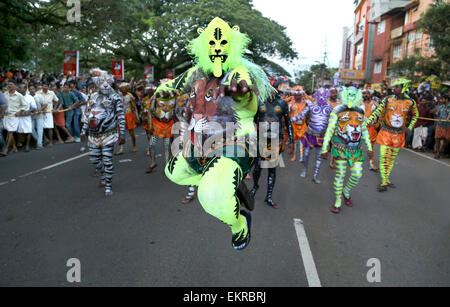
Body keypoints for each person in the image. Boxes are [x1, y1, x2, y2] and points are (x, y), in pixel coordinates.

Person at [157, 17, 274, 250]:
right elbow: (171, 86)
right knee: (173, 172)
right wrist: (164, 90)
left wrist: (241, 93)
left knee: (210, 198)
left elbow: (247, 95)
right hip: (199, 146)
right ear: (203, 45)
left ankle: (240, 225)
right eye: (212, 43)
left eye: (223, 44)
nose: (218, 48)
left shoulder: (238, 72)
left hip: (234, 145)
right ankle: (222, 183)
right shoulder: (196, 73)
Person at [321, 87, 373, 213]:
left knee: (357, 174)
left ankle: (346, 191)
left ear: (358, 96)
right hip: (340, 147)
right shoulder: (337, 110)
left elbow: (363, 129)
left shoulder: (361, 110)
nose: (351, 97)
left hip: (357, 149)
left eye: (353, 95)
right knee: (340, 174)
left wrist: (369, 146)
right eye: (349, 94)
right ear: (344, 95)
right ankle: (338, 201)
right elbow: (330, 129)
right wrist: (325, 147)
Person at [365, 79, 419, 192]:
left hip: (399, 135)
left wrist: (409, 127)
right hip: (386, 132)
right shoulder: (387, 99)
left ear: (404, 87)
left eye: (397, 87)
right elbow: (377, 112)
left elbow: (415, 115)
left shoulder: (411, 102)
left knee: (391, 158)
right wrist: (366, 123)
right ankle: (384, 181)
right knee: (383, 157)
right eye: (394, 87)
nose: (394, 89)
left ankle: (386, 178)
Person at [81, 69, 126, 196]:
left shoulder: (115, 97)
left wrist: (122, 133)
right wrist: (83, 130)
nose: (105, 84)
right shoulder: (93, 97)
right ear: (97, 84)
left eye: (107, 82)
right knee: (94, 159)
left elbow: (121, 116)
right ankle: (104, 174)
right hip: (93, 134)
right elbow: (88, 114)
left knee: (107, 160)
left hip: (109, 133)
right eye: (102, 82)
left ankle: (108, 185)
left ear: (111, 83)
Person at [250, 79, 294, 209]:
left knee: (271, 168)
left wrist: (292, 140)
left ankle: (268, 197)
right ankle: (255, 186)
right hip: (261, 138)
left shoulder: (282, 103)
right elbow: (252, 120)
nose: (271, 93)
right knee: (257, 166)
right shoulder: (259, 102)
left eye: (274, 91)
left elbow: (288, 123)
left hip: (276, 139)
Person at [290, 87, 334, 184]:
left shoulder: (330, 108)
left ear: (327, 96)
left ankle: (315, 175)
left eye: (324, 96)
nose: (321, 98)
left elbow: (335, 120)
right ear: (316, 96)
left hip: (322, 136)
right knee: (306, 154)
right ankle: (305, 169)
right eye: (320, 95)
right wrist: (289, 120)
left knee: (319, 156)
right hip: (310, 134)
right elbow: (301, 115)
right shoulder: (311, 106)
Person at [1, 81, 28, 156]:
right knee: (8, 131)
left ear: (15, 86)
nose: (9, 86)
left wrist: (20, 111)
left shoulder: (19, 95)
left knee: (10, 132)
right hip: (6, 115)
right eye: (8, 84)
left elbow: (25, 105)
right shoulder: (4, 94)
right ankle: (14, 147)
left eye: (11, 84)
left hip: (14, 116)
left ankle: (6, 149)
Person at [116, 83, 139, 155]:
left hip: (129, 115)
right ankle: (121, 149)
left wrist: (137, 117)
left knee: (131, 132)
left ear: (126, 89)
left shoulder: (130, 96)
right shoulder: (118, 96)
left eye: (123, 88)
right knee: (120, 132)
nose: (121, 90)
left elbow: (134, 107)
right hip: (121, 115)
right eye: (120, 89)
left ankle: (134, 145)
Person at [287, 86, 309, 162]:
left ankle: (302, 157)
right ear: (294, 95)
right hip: (293, 125)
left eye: (300, 95)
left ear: (302, 95)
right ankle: (294, 156)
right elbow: (288, 113)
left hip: (303, 126)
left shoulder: (306, 103)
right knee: (293, 142)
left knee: (302, 142)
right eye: (296, 95)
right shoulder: (291, 103)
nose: (298, 96)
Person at [361, 89, 380, 171]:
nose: (366, 95)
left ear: (371, 95)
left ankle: (371, 164)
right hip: (359, 128)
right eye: (364, 93)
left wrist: (377, 124)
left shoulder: (376, 104)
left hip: (371, 128)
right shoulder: (358, 103)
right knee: (356, 145)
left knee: (370, 147)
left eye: (368, 93)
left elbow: (381, 114)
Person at [17, 83, 37, 152]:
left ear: (25, 89)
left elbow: (34, 107)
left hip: (26, 117)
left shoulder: (30, 97)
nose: (19, 89)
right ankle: (20, 143)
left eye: (20, 88)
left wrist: (28, 111)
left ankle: (27, 146)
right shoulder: (17, 96)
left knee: (28, 131)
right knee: (19, 131)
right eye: (19, 87)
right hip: (18, 116)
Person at [432, 93, 450, 159]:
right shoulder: (441, 106)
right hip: (439, 125)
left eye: (442, 99)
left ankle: (441, 149)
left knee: (447, 139)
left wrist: (447, 119)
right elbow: (437, 114)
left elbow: (449, 114)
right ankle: (437, 153)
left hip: (447, 125)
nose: (441, 100)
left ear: (446, 99)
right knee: (437, 139)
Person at [29, 84, 46, 150]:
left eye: (33, 89)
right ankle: (40, 141)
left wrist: (40, 109)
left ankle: (39, 144)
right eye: (30, 89)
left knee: (40, 130)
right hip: (31, 116)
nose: (31, 90)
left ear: (35, 89)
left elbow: (45, 104)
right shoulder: (28, 97)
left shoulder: (39, 96)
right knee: (31, 129)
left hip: (39, 115)